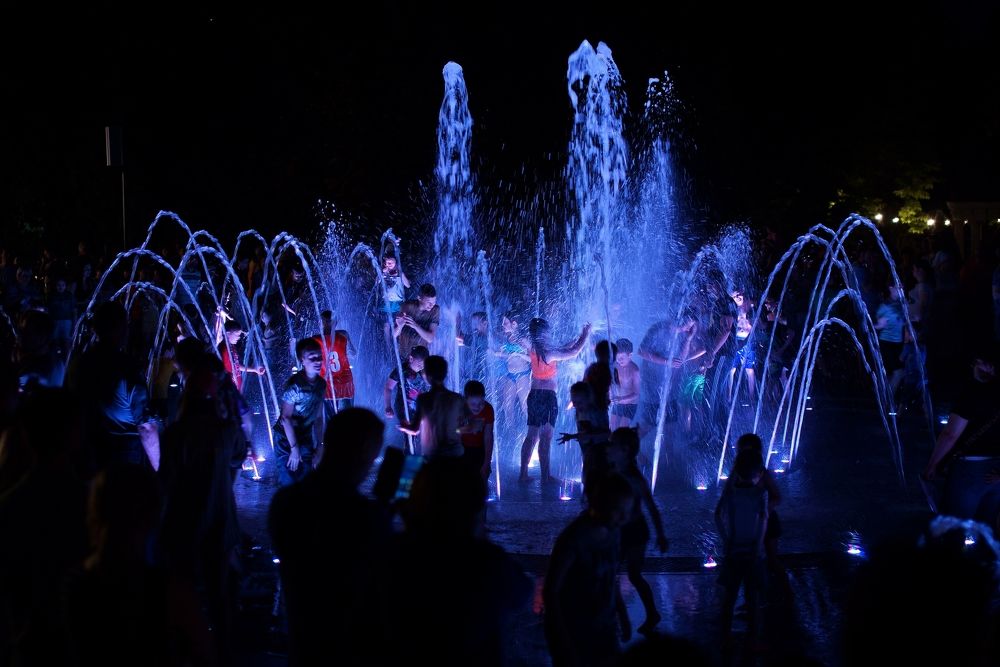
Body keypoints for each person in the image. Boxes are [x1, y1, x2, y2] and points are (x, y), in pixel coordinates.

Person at [269, 408, 390, 666]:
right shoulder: (363, 516)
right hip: (348, 648)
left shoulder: (285, 502)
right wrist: (387, 511)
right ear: (364, 452)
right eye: (372, 456)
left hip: (303, 643)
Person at [544, 473, 635, 667]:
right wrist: (562, 640)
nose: (624, 518)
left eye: (627, 512)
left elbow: (611, 577)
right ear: (599, 504)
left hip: (605, 628)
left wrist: (622, 614)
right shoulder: (574, 539)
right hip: (575, 630)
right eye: (618, 511)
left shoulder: (614, 531)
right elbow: (551, 591)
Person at [65, 301, 160, 470]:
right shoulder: (127, 368)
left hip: (87, 450)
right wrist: (158, 469)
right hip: (123, 452)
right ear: (121, 328)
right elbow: (146, 427)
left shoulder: (79, 364)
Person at [922, 343, 1000, 526]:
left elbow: (950, 434)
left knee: (953, 525)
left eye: (978, 362)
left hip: (969, 469)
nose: (975, 366)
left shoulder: (973, 393)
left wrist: (933, 465)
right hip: (997, 472)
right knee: (986, 528)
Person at [605, 428, 669, 636]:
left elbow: (651, 507)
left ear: (624, 450)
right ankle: (616, 616)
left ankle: (649, 613)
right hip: (620, 530)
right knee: (611, 574)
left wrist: (661, 535)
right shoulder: (613, 472)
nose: (608, 448)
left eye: (612, 444)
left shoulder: (634, 479)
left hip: (635, 532)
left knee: (632, 574)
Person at [520, 318, 591, 483]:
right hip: (547, 398)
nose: (549, 334)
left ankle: (523, 474)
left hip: (534, 395)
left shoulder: (534, 348)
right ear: (543, 333)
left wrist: (576, 338)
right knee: (545, 437)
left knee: (531, 436)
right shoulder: (548, 353)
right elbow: (573, 352)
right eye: (547, 331)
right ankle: (545, 477)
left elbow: (563, 348)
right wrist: (585, 334)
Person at [714, 448, 769, 648]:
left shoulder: (731, 492)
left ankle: (724, 639)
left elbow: (717, 515)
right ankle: (754, 639)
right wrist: (758, 545)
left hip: (734, 550)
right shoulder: (760, 493)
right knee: (752, 597)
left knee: (730, 596)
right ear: (759, 473)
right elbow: (763, 520)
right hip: (752, 551)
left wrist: (726, 539)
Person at [271, 338, 327, 487]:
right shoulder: (295, 385)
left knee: (307, 482)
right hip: (286, 439)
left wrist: (320, 445)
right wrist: (294, 449)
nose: (318, 361)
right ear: (302, 360)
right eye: (312, 357)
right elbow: (285, 418)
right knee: (288, 482)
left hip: (305, 436)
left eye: (319, 356)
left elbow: (319, 417)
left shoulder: (321, 384)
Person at [399, 355, 465, 458]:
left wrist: (403, 426)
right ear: (445, 374)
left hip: (434, 455)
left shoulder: (424, 399)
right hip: (455, 453)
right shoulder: (457, 398)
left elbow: (414, 430)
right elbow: (462, 426)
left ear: (427, 375)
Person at [383, 346, 430, 452]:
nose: (421, 367)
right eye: (419, 364)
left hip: (418, 407)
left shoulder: (423, 372)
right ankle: (409, 455)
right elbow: (388, 388)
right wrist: (388, 406)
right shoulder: (400, 371)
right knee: (410, 436)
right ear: (411, 359)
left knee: (422, 435)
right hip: (404, 407)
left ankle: (419, 455)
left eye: (424, 365)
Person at [314, 309, 355, 418]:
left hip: (327, 384)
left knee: (330, 418)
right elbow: (353, 354)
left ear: (321, 322)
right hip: (345, 383)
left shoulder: (315, 339)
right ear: (335, 323)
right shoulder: (343, 334)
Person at [875, 283, 906, 398]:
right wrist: (876, 326)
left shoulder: (902, 305)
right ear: (891, 288)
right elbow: (878, 325)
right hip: (886, 343)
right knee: (898, 372)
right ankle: (888, 399)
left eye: (902, 288)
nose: (901, 290)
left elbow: (903, 322)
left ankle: (885, 399)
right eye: (899, 288)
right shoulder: (884, 307)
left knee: (891, 373)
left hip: (899, 344)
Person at [217, 319, 265, 393]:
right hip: (229, 391)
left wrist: (254, 369)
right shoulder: (223, 349)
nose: (239, 338)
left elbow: (236, 366)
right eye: (237, 335)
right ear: (228, 333)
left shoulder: (232, 347)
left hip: (236, 389)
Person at [394, 283, 439, 362]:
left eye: (434, 302)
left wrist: (415, 325)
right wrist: (399, 326)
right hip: (403, 355)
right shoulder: (407, 306)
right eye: (429, 302)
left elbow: (430, 338)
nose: (431, 305)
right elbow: (394, 335)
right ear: (419, 298)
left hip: (421, 358)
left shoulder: (435, 310)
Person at [460, 380, 495, 481]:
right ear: (465, 400)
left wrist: (487, 462)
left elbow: (488, 437)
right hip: (461, 448)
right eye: (473, 404)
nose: (477, 407)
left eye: (481, 403)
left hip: (480, 449)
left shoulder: (488, 409)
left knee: (481, 477)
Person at [610, 338, 640, 430]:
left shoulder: (634, 371)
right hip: (617, 402)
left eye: (622, 358)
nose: (619, 360)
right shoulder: (615, 365)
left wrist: (621, 399)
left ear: (630, 355)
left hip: (630, 405)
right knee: (612, 428)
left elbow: (636, 394)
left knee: (622, 429)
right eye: (617, 357)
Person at [457, 311, 490, 385]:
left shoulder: (480, 339)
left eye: (475, 324)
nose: (473, 327)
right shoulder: (484, 338)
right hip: (480, 374)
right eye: (473, 324)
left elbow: (458, 338)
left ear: (485, 324)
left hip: (480, 374)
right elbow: (459, 340)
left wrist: (458, 320)